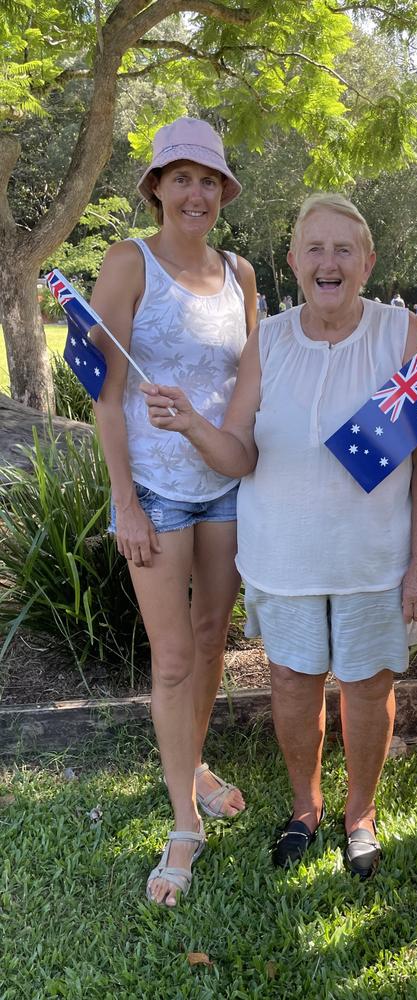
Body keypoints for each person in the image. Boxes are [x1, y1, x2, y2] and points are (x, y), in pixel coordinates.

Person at [142, 193, 417, 881]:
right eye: (315, 248)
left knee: (369, 687)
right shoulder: (270, 339)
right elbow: (240, 453)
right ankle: (305, 809)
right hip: (282, 558)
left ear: (367, 263)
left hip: (373, 561)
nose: (329, 262)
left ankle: (360, 815)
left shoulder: (399, 332)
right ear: (293, 261)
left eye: (345, 249)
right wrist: (194, 424)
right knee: (290, 681)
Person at [90, 117, 258, 907]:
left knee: (211, 640)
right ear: (156, 186)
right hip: (155, 492)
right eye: (181, 177)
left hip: (225, 486)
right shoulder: (129, 262)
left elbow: (251, 387)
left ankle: (191, 760)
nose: (196, 193)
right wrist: (124, 501)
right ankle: (183, 823)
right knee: (174, 660)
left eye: (208, 180)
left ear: (223, 192)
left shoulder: (241, 274)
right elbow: (105, 395)